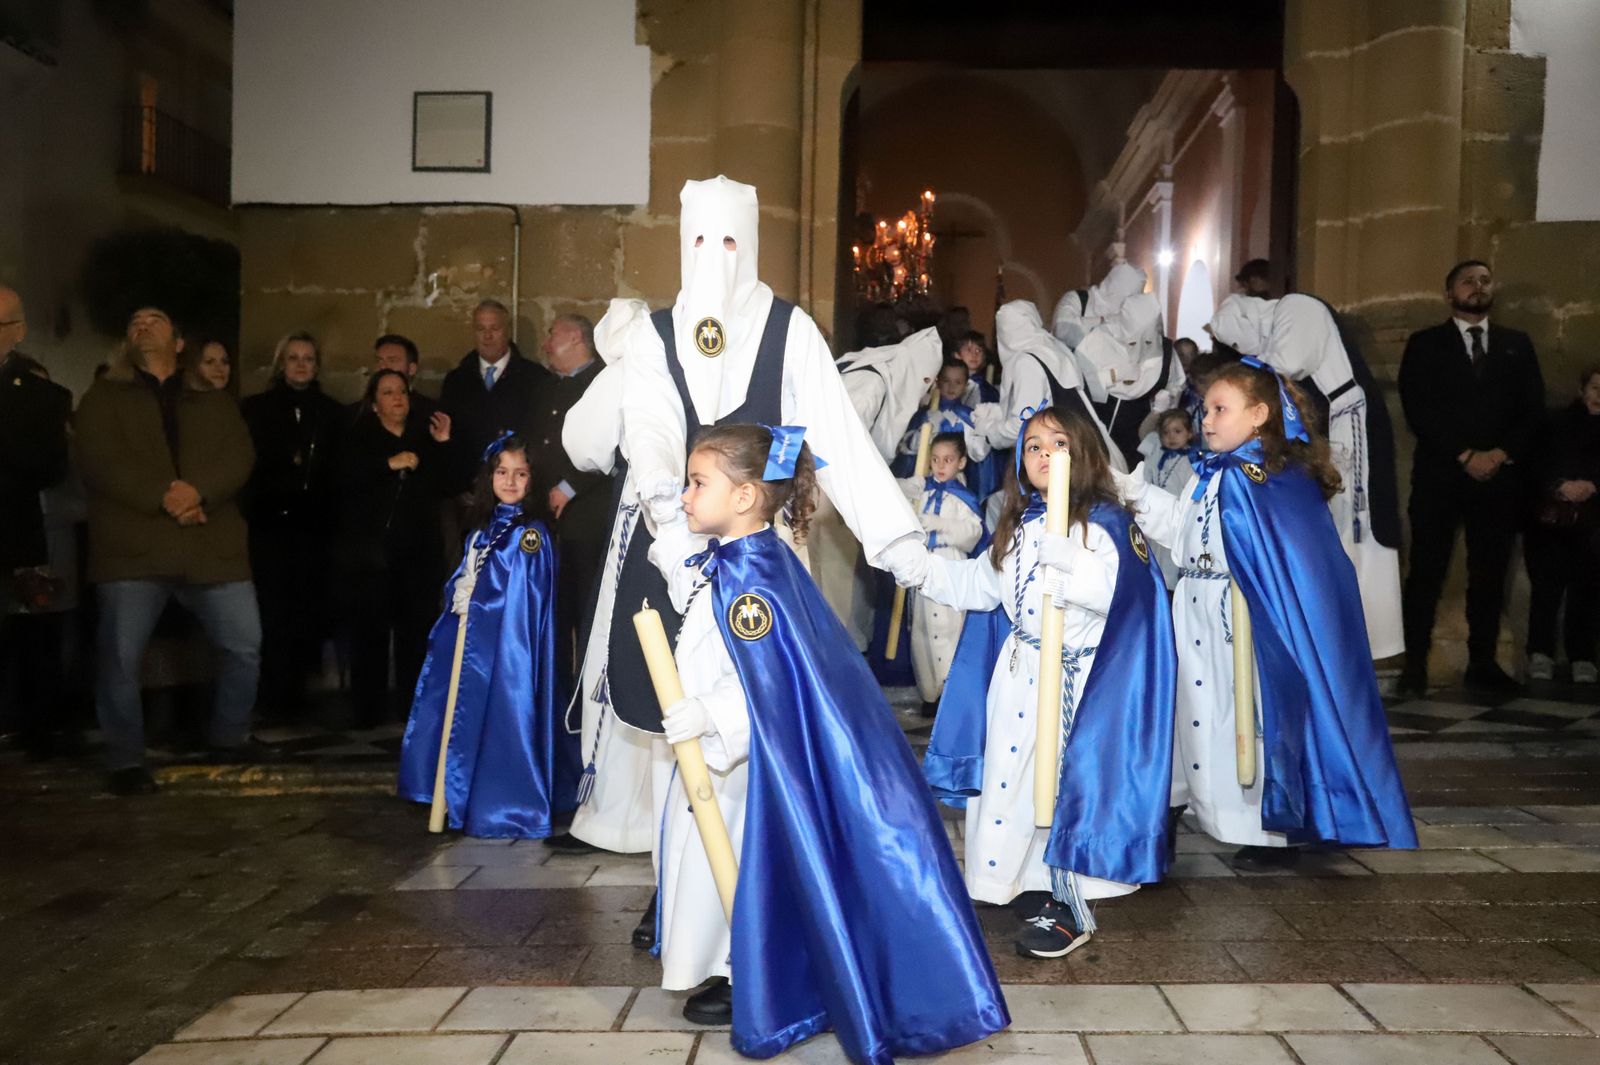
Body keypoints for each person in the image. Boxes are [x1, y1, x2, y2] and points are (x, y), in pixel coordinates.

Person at [646, 423, 1007, 1058]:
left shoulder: (752, 583)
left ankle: (751, 976)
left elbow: (771, 685)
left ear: (745, 497)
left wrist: (707, 715)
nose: (685, 495)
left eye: (698, 483)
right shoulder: (745, 558)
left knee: (740, 863)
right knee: (705, 861)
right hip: (734, 756)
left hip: (747, 768)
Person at [611, 175, 932, 742]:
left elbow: (819, 432)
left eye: (731, 242)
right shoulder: (653, 334)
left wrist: (783, 504)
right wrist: (667, 505)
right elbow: (650, 422)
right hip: (673, 528)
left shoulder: (791, 330)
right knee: (671, 703)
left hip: (764, 542)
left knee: (765, 699)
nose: (717, 259)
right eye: (702, 242)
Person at [1121, 360, 1417, 871]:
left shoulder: (1270, 479)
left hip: (1243, 623)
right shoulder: (1211, 472)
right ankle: (1165, 817)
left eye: (1220, 409)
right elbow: (1186, 530)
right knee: (1189, 715)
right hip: (1196, 610)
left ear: (1259, 414)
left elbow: (1299, 567)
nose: (1206, 420)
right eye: (1203, 410)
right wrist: (1129, 492)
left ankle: (1266, 830)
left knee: (1243, 719)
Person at [918, 405, 1174, 957]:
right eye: (1032, 446)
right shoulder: (1023, 523)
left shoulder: (1105, 523)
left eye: (1055, 444)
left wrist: (1075, 573)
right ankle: (1021, 883)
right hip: (1018, 675)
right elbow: (980, 586)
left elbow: (1129, 601)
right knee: (1014, 778)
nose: (1041, 455)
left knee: (1060, 786)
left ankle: (1069, 900)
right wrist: (914, 566)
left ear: (1082, 454)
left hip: (1075, 681)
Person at [75, 306, 262, 795]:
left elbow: (239, 455)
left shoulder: (211, 399)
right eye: (134, 321)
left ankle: (227, 736)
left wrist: (198, 493)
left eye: (154, 320)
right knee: (121, 656)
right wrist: (164, 496)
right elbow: (98, 459)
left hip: (209, 542)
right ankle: (125, 759)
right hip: (134, 546)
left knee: (244, 643)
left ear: (179, 343)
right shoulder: (104, 397)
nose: (142, 325)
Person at [398, 434, 578, 837]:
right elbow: (467, 577)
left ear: (533, 481)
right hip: (472, 640)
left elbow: (525, 600)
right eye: (502, 472)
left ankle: (504, 801)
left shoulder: (531, 534)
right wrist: (460, 594)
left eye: (521, 474)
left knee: (501, 720)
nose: (510, 481)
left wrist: (479, 602)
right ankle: (449, 790)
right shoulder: (483, 528)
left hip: (506, 651)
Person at [1398, 260, 1546, 695]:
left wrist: (1499, 455)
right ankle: (1414, 666)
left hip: (1498, 480)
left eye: (1484, 280)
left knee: (1489, 573)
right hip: (1440, 477)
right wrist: (1464, 455)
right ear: (1449, 295)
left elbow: (1532, 409)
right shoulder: (1425, 344)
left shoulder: (1516, 344)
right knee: (1426, 571)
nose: (1477, 287)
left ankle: (1482, 663)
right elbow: (1418, 407)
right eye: (1468, 281)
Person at [560, 299, 658, 860]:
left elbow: (584, 445)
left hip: (641, 520)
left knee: (617, 652)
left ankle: (619, 816)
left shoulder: (624, 371)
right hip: (710, 512)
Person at [1259, 295, 1405, 659]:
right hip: (1336, 422)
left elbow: (1287, 362)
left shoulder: (1296, 306)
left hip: (1348, 426)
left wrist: (1250, 374)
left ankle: (1359, 642)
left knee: (1356, 530)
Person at [241, 331, 349, 718]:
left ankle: (299, 691)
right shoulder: (256, 410)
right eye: (293, 358)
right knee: (272, 611)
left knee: (309, 611)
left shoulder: (333, 413)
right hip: (271, 526)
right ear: (280, 364)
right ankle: (272, 692)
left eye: (307, 358)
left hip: (315, 528)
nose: (301, 365)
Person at [336, 369, 451, 726]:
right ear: (374, 403)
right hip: (372, 554)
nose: (397, 398)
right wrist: (388, 464)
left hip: (417, 553)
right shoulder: (358, 438)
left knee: (416, 633)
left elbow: (446, 484)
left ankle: (411, 707)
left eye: (402, 391)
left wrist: (443, 442)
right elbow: (343, 481)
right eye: (387, 392)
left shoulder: (423, 436)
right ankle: (366, 711)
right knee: (369, 632)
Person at [0, 289, 74, 758]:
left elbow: (48, 465)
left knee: (25, 639)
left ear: (18, 332)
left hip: (12, 533)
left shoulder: (43, 398)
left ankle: (32, 728)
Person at [523, 313, 609, 680]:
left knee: (583, 610)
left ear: (576, 338)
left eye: (552, 335)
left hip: (586, 520)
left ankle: (583, 698)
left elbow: (610, 446)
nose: (545, 343)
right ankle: (555, 698)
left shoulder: (603, 384)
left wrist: (569, 487)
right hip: (546, 518)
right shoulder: (546, 386)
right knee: (553, 612)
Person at [980, 300, 1124, 472]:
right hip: (1084, 447)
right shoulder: (1051, 348)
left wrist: (989, 431)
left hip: (1064, 461)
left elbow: (1022, 424)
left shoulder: (1027, 361)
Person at [900, 432, 986, 715]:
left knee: (951, 628)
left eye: (947, 460)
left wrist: (941, 524)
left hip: (950, 565)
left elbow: (973, 534)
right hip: (925, 565)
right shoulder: (920, 490)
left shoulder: (963, 498)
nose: (940, 465)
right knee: (922, 630)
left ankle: (951, 689)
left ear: (961, 462)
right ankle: (930, 691)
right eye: (934, 459)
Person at [1525, 366, 1600, 683]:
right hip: (1552, 519)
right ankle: (1540, 652)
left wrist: (1593, 485)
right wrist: (1559, 485)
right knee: (1546, 587)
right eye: (1596, 388)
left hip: (1593, 521)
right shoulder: (1554, 423)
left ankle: (1582, 655)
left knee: (1587, 589)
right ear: (1582, 390)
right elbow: (1534, 463)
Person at [439, 300, 537, 495]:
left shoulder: (534, 378)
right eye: (480, 329)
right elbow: (448, 438)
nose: (487, 336)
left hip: (516, 492)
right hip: (467, 491)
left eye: (495, 328)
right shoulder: (456, 380)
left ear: (507, 331)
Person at [369, 333, 440, 424]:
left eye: (392, 360)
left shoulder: (432, 414)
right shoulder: (356, 413)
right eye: (379, 361)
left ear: (411, 369)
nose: (382, 367)